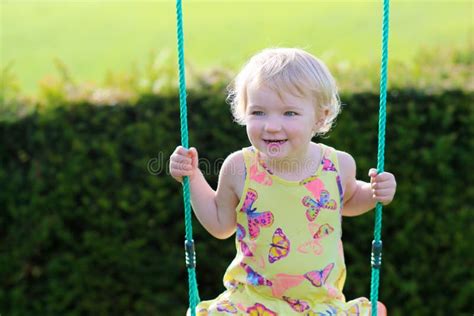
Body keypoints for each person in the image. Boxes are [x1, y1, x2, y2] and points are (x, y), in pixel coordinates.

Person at [170, 48, 395, 315]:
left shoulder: (338, 165)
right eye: (258, 112)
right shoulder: (239, 168)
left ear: (320, 117)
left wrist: (373, 192)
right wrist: (192, 177)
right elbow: (220, 224)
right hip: (251, 300)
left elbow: (348, 199)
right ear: (244, 112)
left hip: (318, 303)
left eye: (289, 113)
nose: (272, 126)